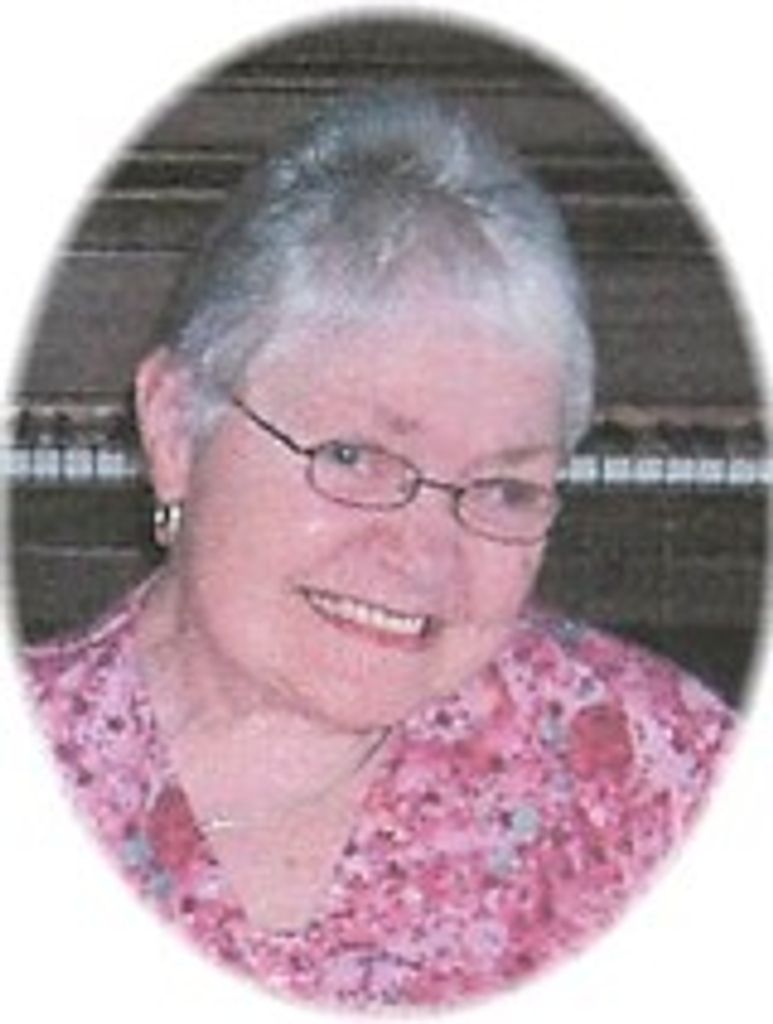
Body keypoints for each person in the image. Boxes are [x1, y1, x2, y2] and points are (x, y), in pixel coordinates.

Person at [25, 87, 734, 1010]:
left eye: (502, 488)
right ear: (172, 429)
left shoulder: (657, 777)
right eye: (353, 457)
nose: (424, 558)